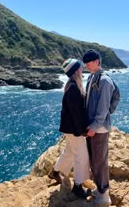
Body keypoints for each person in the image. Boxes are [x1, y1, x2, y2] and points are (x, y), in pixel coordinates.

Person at [48, 58, 90, 199]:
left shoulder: (71, 85)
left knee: (70, 151)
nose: (81, 69)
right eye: (79, 68)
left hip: (69, 128)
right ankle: (78, 186)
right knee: (81, 156)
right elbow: (75, 113)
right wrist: (81, 131)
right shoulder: (73, 88)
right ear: (74, 71)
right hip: (73, 129)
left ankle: (55, 172)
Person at [82, 49, 115, 205]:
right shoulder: (92, 77)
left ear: (97, 61)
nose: (87, 66)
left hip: (99, 129)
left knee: (100, 162)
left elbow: (103, 108)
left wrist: (94, 126)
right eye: (86, 64)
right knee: (95, 160)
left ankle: (104, 196)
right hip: (93, 127)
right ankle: (100, 189)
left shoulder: (104, 81)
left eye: (89, 63)